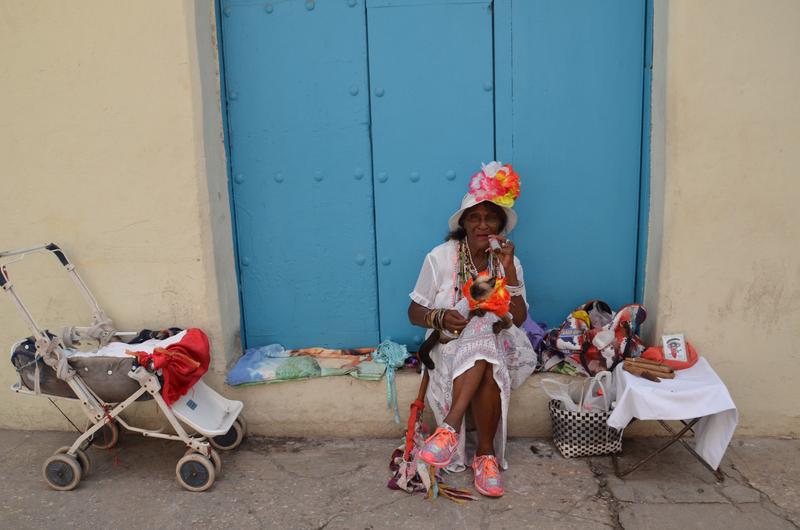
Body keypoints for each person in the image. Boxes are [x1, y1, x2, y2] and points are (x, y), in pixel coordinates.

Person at [407, 161, 537, 498]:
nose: (482, 224)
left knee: (484, 339)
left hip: (497, 345)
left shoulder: (507, 261)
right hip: (448, 345)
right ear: (463, 222)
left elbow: (518, 318)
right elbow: (414, 311)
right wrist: (439, 317)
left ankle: (448, 430)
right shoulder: (440, 257)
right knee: (484, 357)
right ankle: (485, 457)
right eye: (474, 217)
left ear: (500, 224)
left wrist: (509, 273)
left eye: (489, 217)